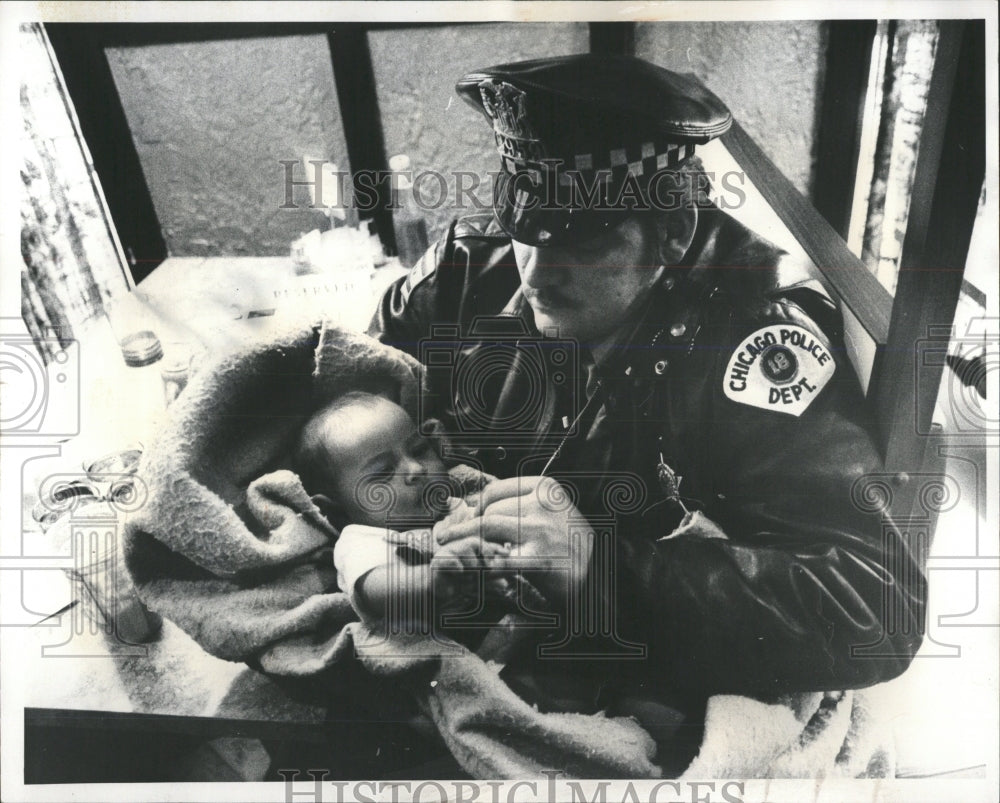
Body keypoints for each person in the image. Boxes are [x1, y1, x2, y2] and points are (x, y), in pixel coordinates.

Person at [369, 54, 927, 767]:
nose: (537, 270)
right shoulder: (466, 265)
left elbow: (876, 608)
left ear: (673, 232)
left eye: (583, 236)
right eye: (529, 226)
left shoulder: (755, 342)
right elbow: (348, 395)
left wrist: (605, 570)